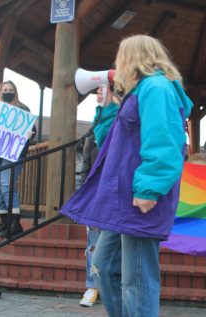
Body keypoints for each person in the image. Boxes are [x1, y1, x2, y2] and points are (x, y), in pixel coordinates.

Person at [60, 34, 193, 317]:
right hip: (124, 199)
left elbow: (164, 140)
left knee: (137, 279)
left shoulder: (156, 87)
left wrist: (149, 188)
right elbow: (113, 139)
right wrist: (110, 107)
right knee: (103, 266)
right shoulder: (144, 90)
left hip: (139, 195)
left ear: (132, 57)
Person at [79, 84, 119, 307]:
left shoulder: (119, 122)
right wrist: (83, 191)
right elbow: (86, 165)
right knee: (93, 242)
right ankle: (92, 285)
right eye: (97, 90)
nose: (99, 92)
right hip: (96, 192)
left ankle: (111, 284)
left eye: (105, 89)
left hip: (114, 191)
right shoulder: (94, 130)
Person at [0, 80, 36, 238]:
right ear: (1, 92)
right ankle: (5, 222)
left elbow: (32, 129)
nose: (7, 92)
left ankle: (15, 223)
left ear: (15, 91)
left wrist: (30, 134)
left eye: (10, 89)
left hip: (14, 152)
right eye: (5, 89)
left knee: (7, 185)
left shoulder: (23, 109)